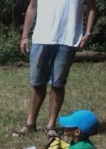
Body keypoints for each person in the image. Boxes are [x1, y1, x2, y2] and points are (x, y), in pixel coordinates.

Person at [11, 0, 97, 138]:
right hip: (41, 38)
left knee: (57, 84)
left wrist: (87, 33)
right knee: (37, 83)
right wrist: (24, 36)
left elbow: (91, 7)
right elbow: (32, 6)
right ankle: (30, 124)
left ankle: (51, 126)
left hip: (68, 39)